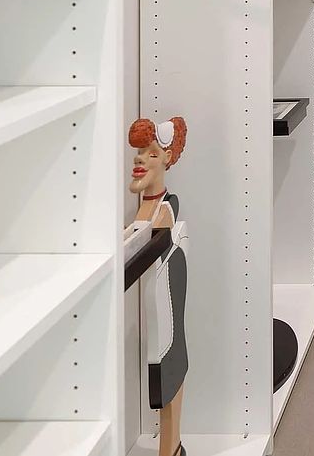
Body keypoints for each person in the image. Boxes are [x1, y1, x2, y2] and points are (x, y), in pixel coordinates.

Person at [128, 116, 189, 456]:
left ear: (166, 158)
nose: (139, 160)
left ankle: (171, 448)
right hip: (156, 305)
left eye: (151, 154)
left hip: (165, 304)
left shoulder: (162, 213)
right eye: (139, 154)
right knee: (163, 371)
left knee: (168, 366)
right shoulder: (147, 210)